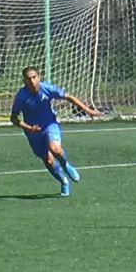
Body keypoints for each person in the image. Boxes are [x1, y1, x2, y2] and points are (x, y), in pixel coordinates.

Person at [10, 67, 103, 197]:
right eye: (28, 79)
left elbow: (68, 97)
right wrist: (28, 127)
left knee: (56, 150)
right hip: (33, 131)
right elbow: (13, 118)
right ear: (24, 81)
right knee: (48, 161)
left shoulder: (47, 88)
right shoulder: (21, 96)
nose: (32, 81)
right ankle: (64, 181)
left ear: (39, 77)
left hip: (50, 124)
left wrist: (88, 111)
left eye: (34, 77)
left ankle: (65, 165)